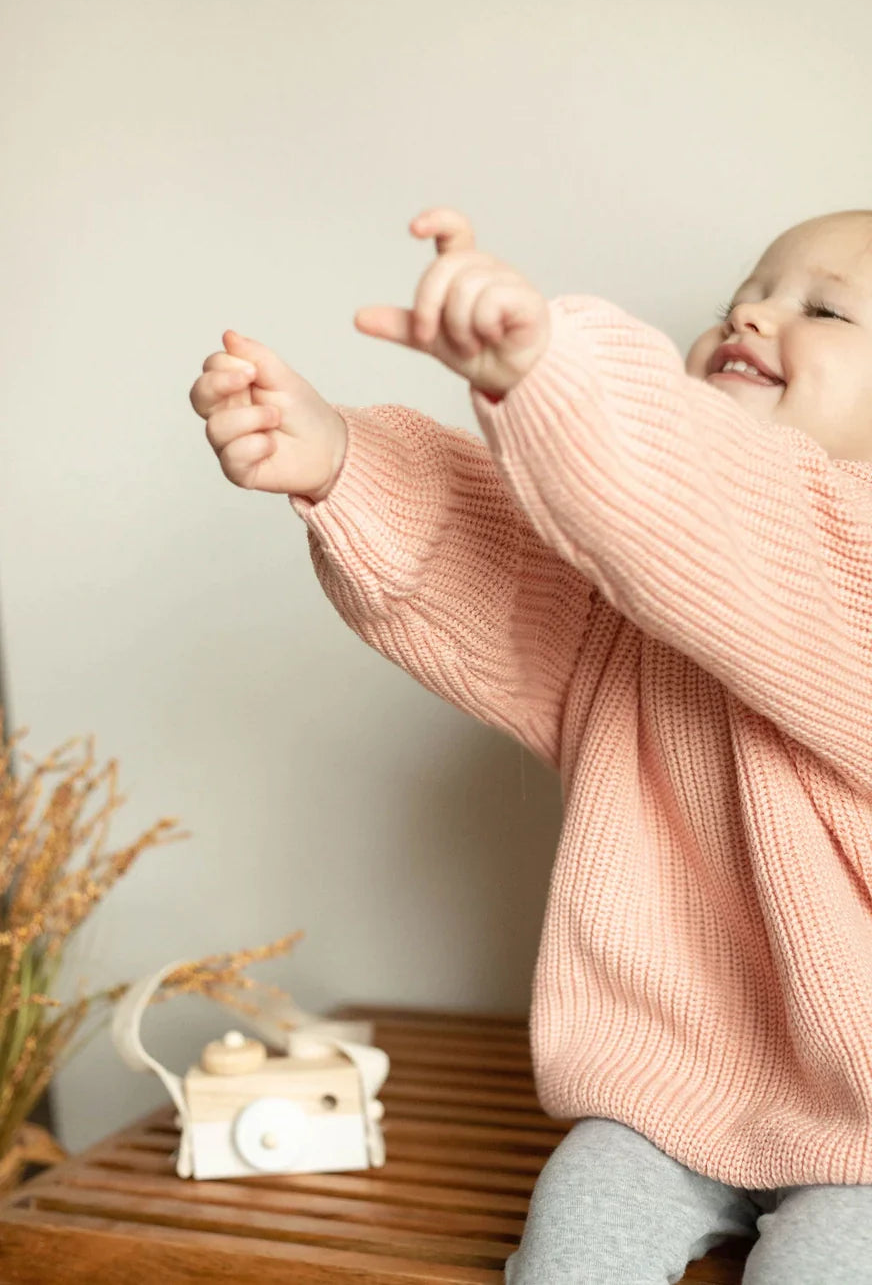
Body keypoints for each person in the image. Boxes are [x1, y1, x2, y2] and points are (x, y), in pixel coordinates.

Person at [188, 206, 872, 1283]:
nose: (749, 315)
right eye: (741, 296)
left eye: (823, 311)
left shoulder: (840, 574)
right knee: (570, 1248)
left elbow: (723, 510)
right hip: (670, 1095)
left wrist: (550, 369)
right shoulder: (638, 597)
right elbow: (499, 573)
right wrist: (338, 461)